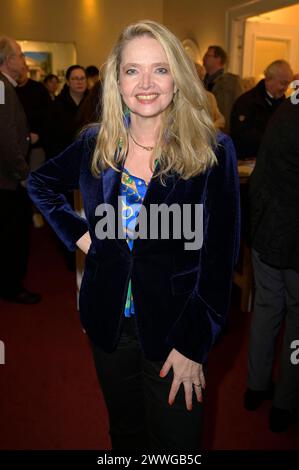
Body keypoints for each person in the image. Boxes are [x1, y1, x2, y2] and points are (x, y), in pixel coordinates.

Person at [28, 20, 240, 450]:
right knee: (125, 436)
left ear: (177, 80)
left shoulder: (211, 150)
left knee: (177, 447)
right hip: (108, 320)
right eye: (132, 70)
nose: (146, 83)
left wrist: (194, 344)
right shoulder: (96, 142)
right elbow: (40, 184)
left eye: (160, 70)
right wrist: (84, 239)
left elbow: (220, 259)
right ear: (117, 81)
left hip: (176, 327)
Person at [244, 97, 299, 433]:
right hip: (292, 234)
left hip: (266, 226)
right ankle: (286, 402)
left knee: (266, 308)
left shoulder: (286, 105)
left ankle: (256, 386)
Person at [0, 36, 41, 304]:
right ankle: (11, 287)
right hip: (8, 181)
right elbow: (5, 137)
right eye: (20, 55)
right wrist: (24, 173)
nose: (24, 62)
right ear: (7, 60)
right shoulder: (1, 86)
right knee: (12, 237)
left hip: (8, 177)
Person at [230, 60, 293, 159]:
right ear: (269, 79)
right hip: (249, 159)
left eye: (288, 84)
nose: (285, 88)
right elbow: (241, 135)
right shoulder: (246, 102)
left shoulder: (285, 105)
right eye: (283, 83)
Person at [203, 45, 243, 133]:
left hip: (225, 131)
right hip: (205, 132)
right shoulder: (200, 82)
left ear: (218, 59)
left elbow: (240, 107)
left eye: (208, 56)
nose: (204, 58)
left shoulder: (232, 82)